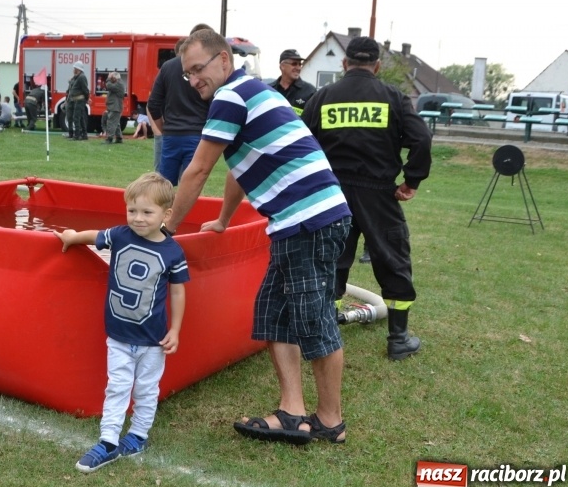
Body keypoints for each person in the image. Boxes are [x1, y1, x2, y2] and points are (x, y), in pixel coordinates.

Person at [165, 28, 352, 445]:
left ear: (224, 61)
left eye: (199, 69)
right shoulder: (251, 93)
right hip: (299, 222)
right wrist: (224, 219)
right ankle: (291, 412)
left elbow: (198, 170)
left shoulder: (230, 97)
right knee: (273, 313)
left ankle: (329, 422)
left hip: (308, 221)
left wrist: (168, 230)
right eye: (188, 74)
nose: (194, 80)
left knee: (314, 320)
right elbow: (240, 165)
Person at [301, 36, 432, 361]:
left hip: (333, 194)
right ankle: (398, 340)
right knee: (393, 260)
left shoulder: (323, 96)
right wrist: (411, 180)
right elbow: (422, 138)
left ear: (345, 64)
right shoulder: (393, 97)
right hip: (379, 194)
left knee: (332, 261)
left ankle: (327, 333)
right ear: (377, 66)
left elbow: (300, 141)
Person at [54, 172, 189, 473]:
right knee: (117, 387)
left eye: (147, 212)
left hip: (153, 339)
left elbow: (178, 291)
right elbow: (94, 236)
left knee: (146, 388)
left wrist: (176, 329)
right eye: (132, 211)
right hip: (118, 335)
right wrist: (72, 237)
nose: (138, 218)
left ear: (166, 214)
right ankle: (108, 441)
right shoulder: (119, 235)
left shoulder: (173, 251)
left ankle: (138, 436)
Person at [148, 25, 212, 185]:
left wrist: (164, 128)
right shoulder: (208, 69)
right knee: (191, 186)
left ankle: (165, 210)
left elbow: (153, 103)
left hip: (171, 135)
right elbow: (215, 103)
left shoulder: (168, 67)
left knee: (165, 187)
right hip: (197, 134)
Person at [267, 49, 317, 115]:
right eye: (294, 64)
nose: (298, 68)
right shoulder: (269, 90)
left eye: (300, 64)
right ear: (282, 66)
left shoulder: (310, 91)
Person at [68, 61, 90, 140]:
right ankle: (84, 134)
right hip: (77, 100)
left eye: (75, 68)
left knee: (76, 117)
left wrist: (87, 99)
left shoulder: (81, 77)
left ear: (78, 69)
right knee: (80, 118)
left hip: (80, 100)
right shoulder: (78, 77)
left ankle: (77, 135)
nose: (74, 70)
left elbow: (85, 90)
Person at [103, 72, 125, 144]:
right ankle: (119, 138)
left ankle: (109, 138)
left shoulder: (119, 84)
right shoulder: (118, 83)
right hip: (114, 106)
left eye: (112, 78)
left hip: (115, 107)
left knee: (111, 122)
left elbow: (109, 86)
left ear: (115, 78)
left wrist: (108, 78)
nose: (111, 79)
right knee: (116, 123)